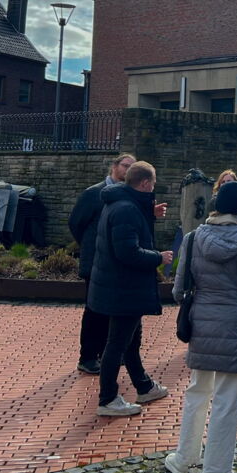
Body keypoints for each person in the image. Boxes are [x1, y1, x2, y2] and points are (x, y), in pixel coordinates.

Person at [165, 180, 237, 473]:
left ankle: (184, 459)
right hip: (236, 324)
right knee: (227, 401)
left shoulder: (193, 239)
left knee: (197, 392)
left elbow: (179, 290)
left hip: (203, 324)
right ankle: (216, 472)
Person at [90, 161, 173, 416]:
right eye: (154, 183)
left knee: (130, 341)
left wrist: (150, 214)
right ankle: (108, 399)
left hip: (122, 287)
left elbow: (130, 233)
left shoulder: (121, 203)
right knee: (117, 344)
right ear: (146, 183)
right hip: (123, 288)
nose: (154, 188)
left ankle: (144, 386)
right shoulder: (126, 209)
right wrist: (158, 258)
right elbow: (127, 252)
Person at [68, 152, 134, 375]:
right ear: (114, 167)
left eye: (132, 168)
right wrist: (91, 247)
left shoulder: (129, 195)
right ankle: (87, 357)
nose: (128, 171)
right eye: (126, 166)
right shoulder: (94, 194)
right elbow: (76, 223)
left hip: (117, 264)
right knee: (94, 310)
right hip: (95, 262)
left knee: (113, 309)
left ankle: (108, 353)